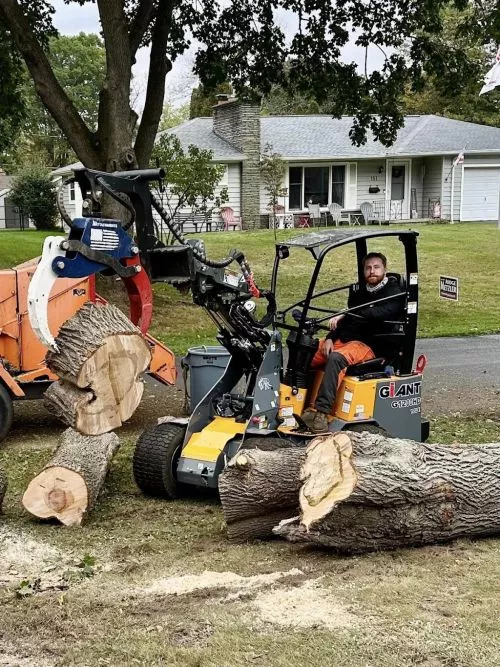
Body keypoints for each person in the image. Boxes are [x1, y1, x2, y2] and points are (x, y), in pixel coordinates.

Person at [301, 252, 405, 433]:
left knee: (336, 359)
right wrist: (330, 338)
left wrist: (348, 312)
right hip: (345, 339)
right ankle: (302, 404)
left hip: (368, 345)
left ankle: (322, 414)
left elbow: (377, 314)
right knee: (305, 351)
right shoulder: (360, 291)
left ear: (385, 270)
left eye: (376, 267)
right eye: (368, 268)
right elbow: (347, 321)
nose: (372, 271)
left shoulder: (394, 293)